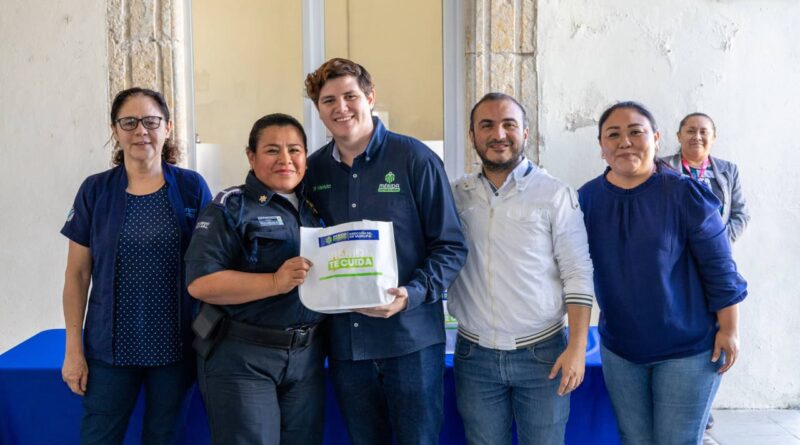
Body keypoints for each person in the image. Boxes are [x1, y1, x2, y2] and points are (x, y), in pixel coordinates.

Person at [303, 58, 468, 445]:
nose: (341, 108)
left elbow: (451, 245)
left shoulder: (415, 159)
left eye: (350, 96)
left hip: (410, 342)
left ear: (370, 97)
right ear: (318, 110)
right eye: (329, 100)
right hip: (346, 346)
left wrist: (412, 294)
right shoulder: (312, 172)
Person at [578, 101, 748, 445]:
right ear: (601, 145)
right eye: (613, 134)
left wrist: (730, 329)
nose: (625, 142)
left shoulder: (686, 194)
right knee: (634, 439)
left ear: (655, 138)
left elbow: (720, 267)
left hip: (688, 349)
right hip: (621, 349)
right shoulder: (587, 198)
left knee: (676, 440)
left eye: (636, 132)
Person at [60, 87, 212, 444]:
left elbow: (211, 263)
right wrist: (73, 349)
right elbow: (77, 275)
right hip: (109, 351)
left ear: (168, 128)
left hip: (176, 348)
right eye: (129, 122)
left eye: (151, 121)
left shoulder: (191, 187)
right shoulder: (95, 191)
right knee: (99, 438)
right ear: (115, 130)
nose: (141, 130)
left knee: (164, 437)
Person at [449, 93, 595, 445]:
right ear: (472, 135)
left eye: (509, 124)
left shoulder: (555, 194)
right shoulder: (455, 195)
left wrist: (577, 348)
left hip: (543, 355)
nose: (498, 134)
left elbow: (577, 272)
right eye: (487, 125)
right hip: (474, 356)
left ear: (525, 133)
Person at [184, 113, 326, 445]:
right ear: (251, 156)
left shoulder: (317, 207)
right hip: (243, 357)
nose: (285, 159)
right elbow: (201, 283)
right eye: (272, 150)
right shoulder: (230, 207)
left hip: (307, 358)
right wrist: (274, 282)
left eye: (294, 150)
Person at [662, 112, 750, 244]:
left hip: (715, 250)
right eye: (691, 131)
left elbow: (741, 214)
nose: (697, 137)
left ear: (713, 137)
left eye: (703, 132)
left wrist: (720, 242)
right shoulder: (661, 167)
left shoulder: (729, 170)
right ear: (679, 136)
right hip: (675, 250)